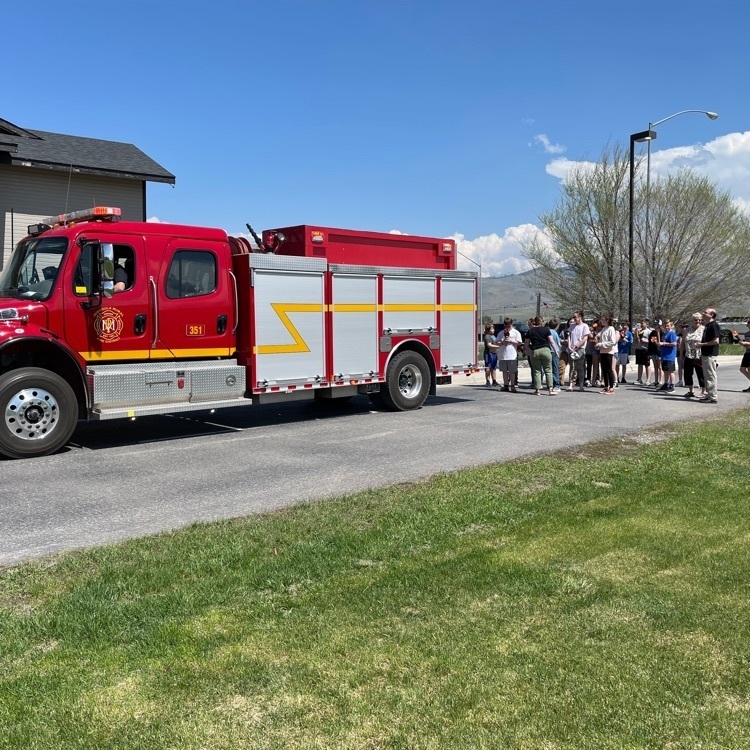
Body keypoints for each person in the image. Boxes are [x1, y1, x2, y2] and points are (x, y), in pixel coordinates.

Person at [526, 316, 558, 396]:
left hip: (535, 351)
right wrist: (555, 350)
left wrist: (526, 350)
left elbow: (526, 343)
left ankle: (538, 390)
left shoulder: (530, 331)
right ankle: (550, 389)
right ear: (542, 322)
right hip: (545, 350)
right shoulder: (546, 330)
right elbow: (551, 341)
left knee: (537, 371)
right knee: (548, 370)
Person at [697, 307, 721, 403]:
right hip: (705, 354)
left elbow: (716, 341)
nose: (703, 314)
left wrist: (702, 344)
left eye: (705, 312)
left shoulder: (714, 325)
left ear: (711, 315)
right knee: (707, 376)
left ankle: (713, 397)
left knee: (711, 376)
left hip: (711, 355)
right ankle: (708, 394)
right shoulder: (707, 325)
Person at [682, 313, 705, 398]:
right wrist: (681, 355)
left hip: (699, 355)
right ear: (692, 320)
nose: (698, 321)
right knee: (688, 374)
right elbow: (682, 343)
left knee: (701, 373)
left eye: (699, 320)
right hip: (688, 355)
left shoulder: (703, 329)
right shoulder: (687, 330)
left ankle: (704, 391)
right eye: (696, 320)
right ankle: (691, 391)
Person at [497, 317, 522, 393]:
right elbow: (496, 342)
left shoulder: (516, 332)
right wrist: (501, 342)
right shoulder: (501, 333)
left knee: (512, 371)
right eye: (505, 326)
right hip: (503, 354)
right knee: (504, 371)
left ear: (511, 324)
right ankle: (506, 385)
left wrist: (511, 341)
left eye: (508, 326)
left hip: (512, 355)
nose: (507, 327)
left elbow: (519, 342)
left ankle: (513, 386)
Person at [567, 311, 590, 392]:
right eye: (573, 317)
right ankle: (570, 384)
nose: (574, 319)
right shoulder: (572, 326)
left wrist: (577, 346)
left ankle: (581, 385)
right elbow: (569, 336)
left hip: (580, 349)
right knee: (572, 367)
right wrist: (569, 346)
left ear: (580, 317)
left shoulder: (585, 326)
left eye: (575, 317)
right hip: (572, 349)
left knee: (580, 367)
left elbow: (585, 338)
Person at [595, 315, 617, 394]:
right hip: (602, 351)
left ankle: (611, 387)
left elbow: (612, 342)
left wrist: (601, 344)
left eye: (603, 320)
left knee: (608, 369)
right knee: (603, 369)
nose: (602, 321)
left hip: (608, 352)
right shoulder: (604, 329)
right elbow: (600, 339)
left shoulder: (611, 329)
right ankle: (606, 386)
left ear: (607, 320)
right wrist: (598, 346)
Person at [658, 320, 678, 392]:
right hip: (664, 355)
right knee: (665, 370)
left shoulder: (672, 334)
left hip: (670, 356)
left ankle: (672, 385)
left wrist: (664, 343)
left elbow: (674, 343)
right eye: (665, 326)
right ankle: (666, 384)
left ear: (671, 326)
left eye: (668, 326)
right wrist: (660, 345)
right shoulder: (664, 334)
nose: (667, 327)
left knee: (670, 371)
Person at [634, 319, 652, 385]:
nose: (641, 325)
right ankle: (639, 379)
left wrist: (645, 340)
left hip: (646, 350)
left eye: (643, 323)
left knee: (647, 365)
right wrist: (636, 335)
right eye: (641, 323)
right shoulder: (639, 331)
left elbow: (653, 341)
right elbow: (636, 341)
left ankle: (648, 379)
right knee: (639, 364)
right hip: (639, 349)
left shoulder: (649, 332)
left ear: (647, 324)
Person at [482, 323, 499, 388]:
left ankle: (494, 381)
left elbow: (496, 342)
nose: (493, 330)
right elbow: (489, 345)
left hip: (494, 354)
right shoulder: (487, 336)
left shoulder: (493, 336)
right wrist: (497, 346)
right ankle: (488, 381)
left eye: (493, 328)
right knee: (488, 368)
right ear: (488, 330)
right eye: (492, 329)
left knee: (494, 368)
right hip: (488, 354)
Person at [547, 317, 561, 390]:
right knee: (555, 368)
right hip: (555, 351)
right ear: (557, 326)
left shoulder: (547, 331)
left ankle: (550, 383)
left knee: (549, 368)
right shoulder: (555, 333)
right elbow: (558, 343)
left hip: (548, 351)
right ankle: (556, 385)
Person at [739, 318, 750, 392]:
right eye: (748, 324)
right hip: (747, 352)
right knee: (743, 369)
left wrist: (747, 344)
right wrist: (742, 343)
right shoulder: (747, 334)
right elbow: (747, 345)